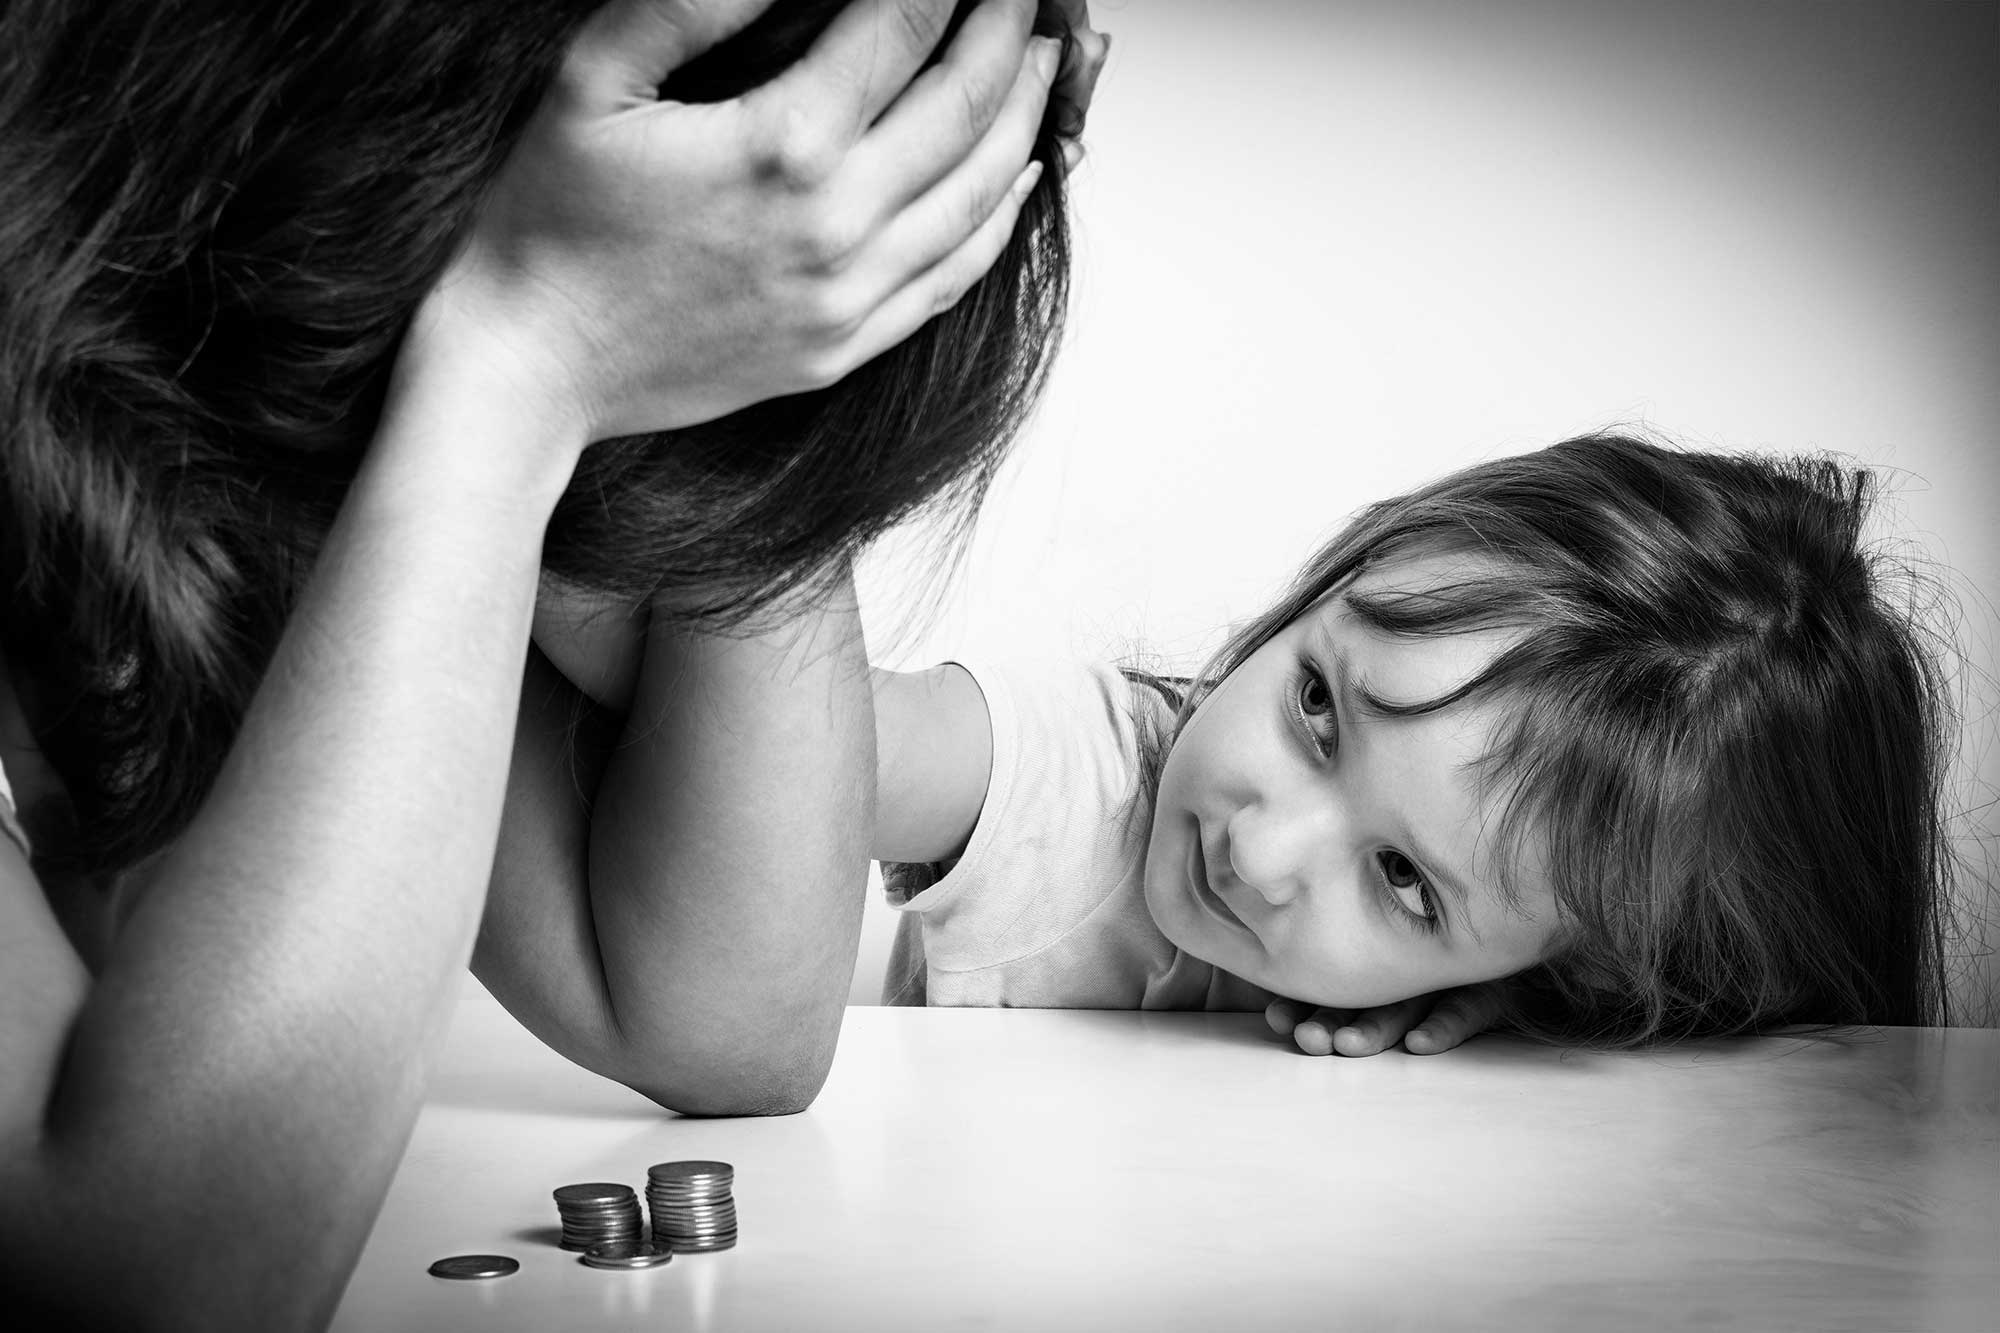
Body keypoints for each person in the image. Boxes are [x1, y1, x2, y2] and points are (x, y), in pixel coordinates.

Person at [0, 0, 1107, 1326]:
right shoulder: (347, 362)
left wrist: (747, 342)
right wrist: (522, 358)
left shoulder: (224, 425)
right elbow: (156, 1272)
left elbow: (725, 1014)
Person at [519, 432, 1958, 1108]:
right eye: (1321, 709)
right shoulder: (1081, 775)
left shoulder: (1498, 1014)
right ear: (1333, 582)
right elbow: (813, 734)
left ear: (1560, 976)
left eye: (1402, 879)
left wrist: (1502, 1014)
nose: (1259, 849)